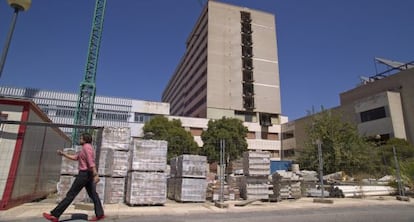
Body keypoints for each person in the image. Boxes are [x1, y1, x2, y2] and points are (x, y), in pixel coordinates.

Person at [43, 132, 105, 222]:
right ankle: (100, 214)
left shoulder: (87, 147)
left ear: (85, 139)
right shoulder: (86, 148)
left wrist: (96, 174)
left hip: (84, 174)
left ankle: (55, 215)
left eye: (81, 138)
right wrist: (63, 154)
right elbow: (76, 157)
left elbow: (90, 161)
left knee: (71, 194)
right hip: (88, 174)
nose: (79, 140)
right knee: (93, 194)